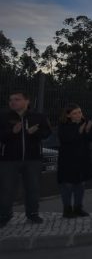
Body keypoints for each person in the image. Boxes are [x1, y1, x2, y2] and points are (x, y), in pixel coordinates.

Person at [0, 90, 52, 226]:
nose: (13, 102)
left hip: (33, 159)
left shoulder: (38, 116)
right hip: (9, 160)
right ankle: (5, 215)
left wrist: (36, 133)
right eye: (11, 99)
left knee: (33, 188)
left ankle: (33, 214)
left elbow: (47, 133)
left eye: (17, 99)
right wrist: (12, 132)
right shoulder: (3, 116)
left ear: (27, 101)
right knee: (7, 188)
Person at [57, 103, 92, 218]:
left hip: (83, 159)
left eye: (79, 112)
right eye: (75, 113)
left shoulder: (84, 124)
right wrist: (80, 131)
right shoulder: (64, 125)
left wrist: (88, 130)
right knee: (68, 185)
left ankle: (78, 207)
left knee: (80, 184)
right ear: (68, 115)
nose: (78, 115)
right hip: (68, 160)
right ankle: (67, 209)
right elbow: (67, 139)